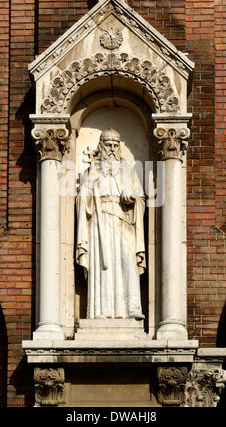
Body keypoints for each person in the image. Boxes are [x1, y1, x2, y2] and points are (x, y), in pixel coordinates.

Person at [76, 128, 146, 319]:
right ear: (101, 147)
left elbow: (141, 199)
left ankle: (132, 308)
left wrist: (131, 199)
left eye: (116, 145)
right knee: (103, 266)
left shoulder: (129, 173)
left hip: (123, 219)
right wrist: (89, 184)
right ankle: (102, 310)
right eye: (108, 145)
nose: (112, 149)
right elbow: (81, 202)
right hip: (100, 220)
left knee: (127, 260)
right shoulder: (91, 171)